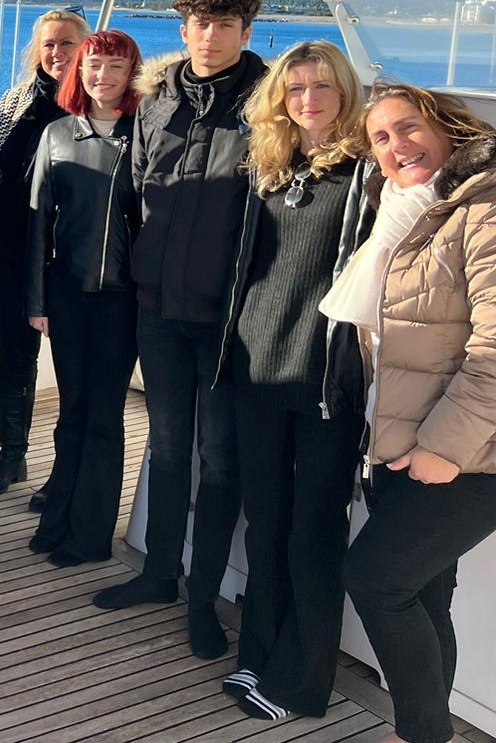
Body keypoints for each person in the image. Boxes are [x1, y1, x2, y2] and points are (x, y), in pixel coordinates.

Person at [93, 0, 266, 662]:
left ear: (247, 32)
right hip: (158, 308)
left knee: (219, 462)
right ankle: (160, 574)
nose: (212, 36)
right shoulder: (158, 100)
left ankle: (203, 601)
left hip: (228, 319)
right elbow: (135, 193)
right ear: (183, 29)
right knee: (168, 448)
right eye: (202, 23)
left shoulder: (270, 107)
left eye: (226, 25)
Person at [330, 85, 496, 743]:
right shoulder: (408, 214)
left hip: (465, 455)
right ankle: (426, 732)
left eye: (409, 127)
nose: (397, 145)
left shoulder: (483, 208)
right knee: (423, 594)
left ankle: (420, 733)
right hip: (402, 444)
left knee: (375, 580)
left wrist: (442, 448)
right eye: (381, 137)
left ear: (449, 127)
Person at [215, 41, 370, 722]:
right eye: (296, 87)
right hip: (256, 367)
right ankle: (257, 656)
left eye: (322, 86)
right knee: (266, 525)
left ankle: (301, 684)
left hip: (326, 378)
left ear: (345, 93)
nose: (308, 99)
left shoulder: (368, 174)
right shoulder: (270, 168)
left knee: (314, 533)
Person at [0, 9, 90, 499]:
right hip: (13, 246)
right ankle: (11, 457)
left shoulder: (97, 103)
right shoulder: (16, 99)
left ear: (85, 46)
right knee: (14, 354)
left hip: (69, 253)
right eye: (49, 44)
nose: (58, 53)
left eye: (68, 43)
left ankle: (65, 472)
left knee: (73, 363)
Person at [24, 29, 142, 566]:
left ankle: (90, 536)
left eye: (116, 66)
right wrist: (37, 301)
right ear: (79, 71)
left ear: (132, 74)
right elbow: (37, 224)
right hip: (67, 295)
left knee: (103, 417)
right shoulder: (57, 134)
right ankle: (57, 520)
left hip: (123, 299)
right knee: (71, 412)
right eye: (94, 65)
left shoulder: (145, 135)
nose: (103, 76)